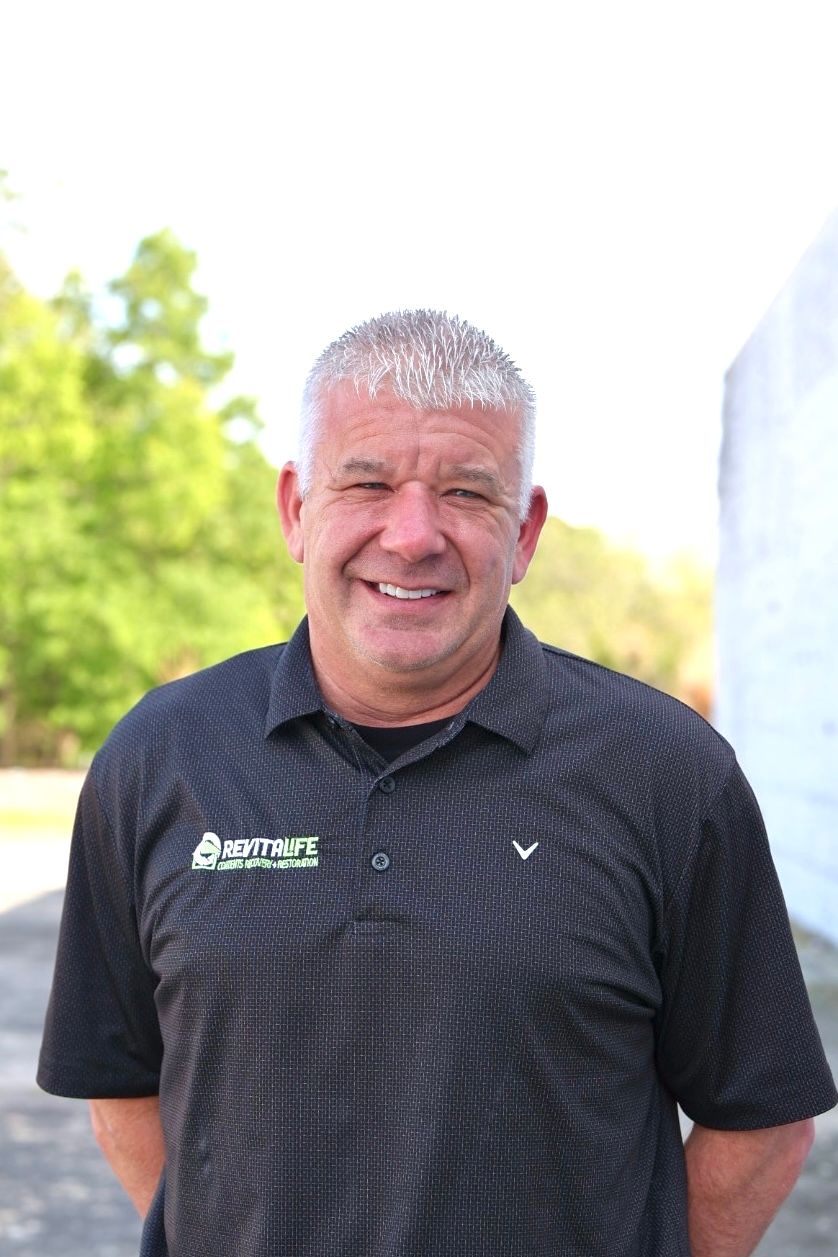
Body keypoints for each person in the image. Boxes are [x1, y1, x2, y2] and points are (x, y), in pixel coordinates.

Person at [39, 309, 836, 1257]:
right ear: (297, 508)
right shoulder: (160, 757)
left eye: (465, 492)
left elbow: (762, 1119)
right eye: (367, 482)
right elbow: (121, 1085)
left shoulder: (665, 772)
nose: (412, 535)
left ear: (527, 530)